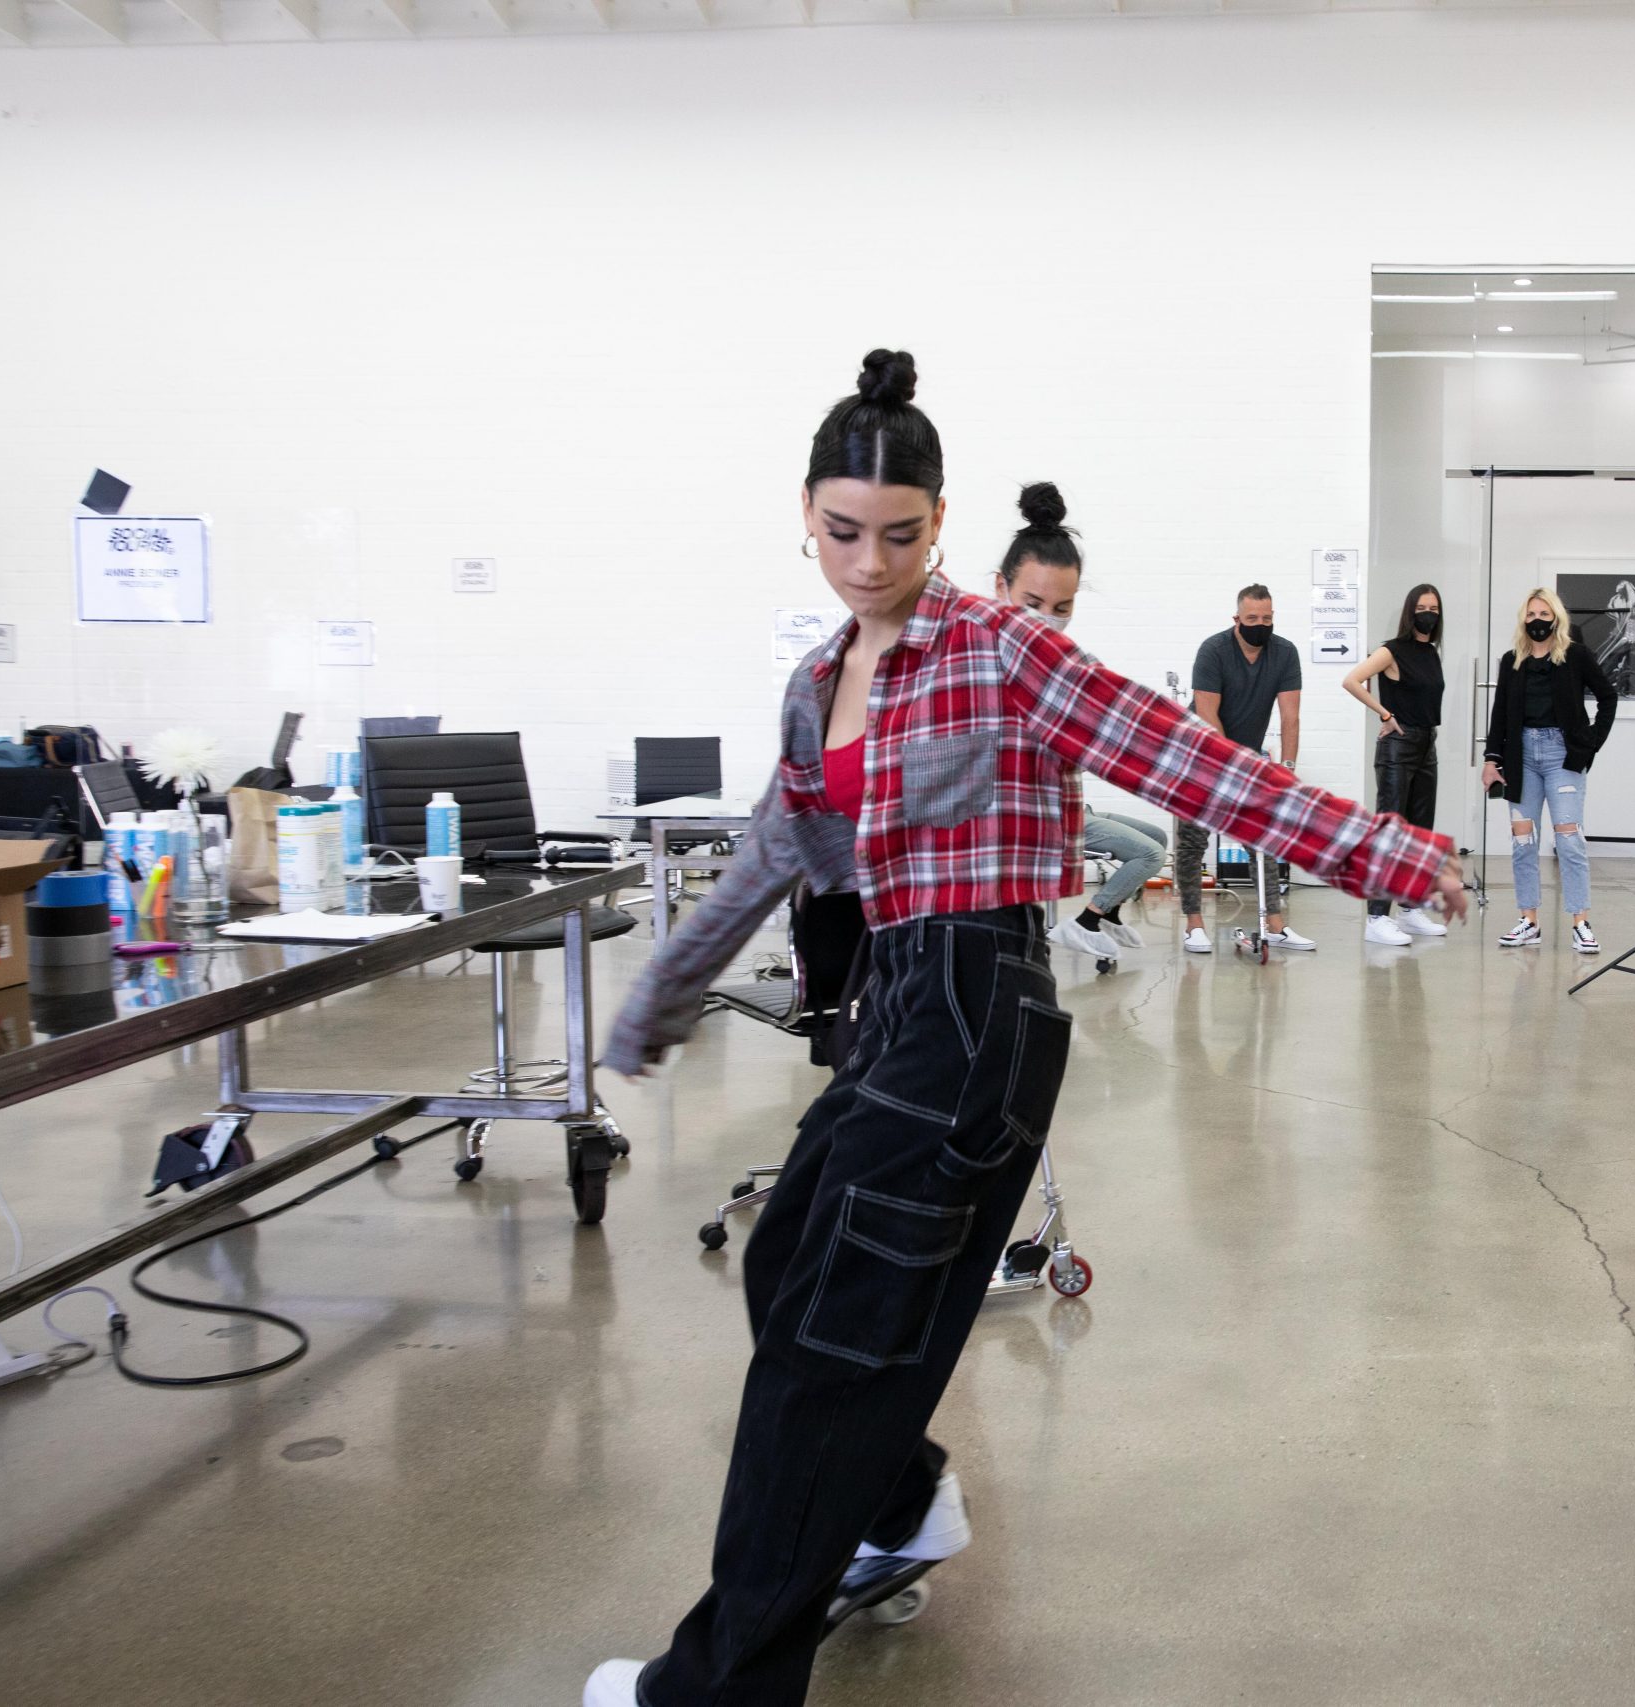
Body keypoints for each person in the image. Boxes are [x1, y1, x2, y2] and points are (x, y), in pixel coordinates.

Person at [585, 350, 1464, 1707]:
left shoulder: (1004, 647)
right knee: (787, 1267)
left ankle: (712, 1689)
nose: (868, 563)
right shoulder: (817, 680)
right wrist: (662, 987)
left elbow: (1188, 758)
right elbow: (777, 845)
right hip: (893, 1003)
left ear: (941, 523)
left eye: (900, 534)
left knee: (821, 1352)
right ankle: (898, 1508)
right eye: (841, 532)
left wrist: (1383, 852)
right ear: (805, 514)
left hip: (976, 1005)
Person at [987, 480, 1168, 961]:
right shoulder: (971, 664)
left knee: (1156, 840)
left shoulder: (1075, 669)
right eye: (1031, 605)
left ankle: (1105, 914)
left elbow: (1146, 733)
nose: (1046, 619)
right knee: (1150, 854)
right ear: (1001, 588)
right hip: (1004, 850)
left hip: (1063, 817)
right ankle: (1087, 920)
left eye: (1062, 608)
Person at [1175, 584, 1310, 953]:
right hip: (1198, 752)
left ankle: (1275, 925)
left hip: (1244, 756)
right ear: (1236, 619)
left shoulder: (1284, 653)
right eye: (1252, 618)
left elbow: (1291, 718)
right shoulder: (1214, 651)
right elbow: (1207, 715)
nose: (1260, 624)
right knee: (1193, 839)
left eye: (1267, 618)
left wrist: (1287, 770)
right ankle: (1193, 925)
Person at [1481, 587, 1618, 953]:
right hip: (1520, 757)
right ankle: (1529, 921)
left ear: (1556, 618)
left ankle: (1581, 922)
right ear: (1522, 620)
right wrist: (1491, 760)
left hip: (1562, 755)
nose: (1537, 620)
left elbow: (1608, 697)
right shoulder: (1511, 661)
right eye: (1531, 614)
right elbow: (1499, 713)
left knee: (1569, 839)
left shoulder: (1576, 656)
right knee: (1523, 841)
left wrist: (1590, 742)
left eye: (1544, 614)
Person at [1344, 582, 1451, 947]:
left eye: (1434, 609)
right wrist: (1385, 714)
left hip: (1427, 745)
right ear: (1410, 612)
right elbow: (1352, 680)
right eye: (1422, 609)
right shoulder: (1392, 650)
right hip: (1398, 748)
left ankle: (1409, 909)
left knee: (1420, 833)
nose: (1428, 615)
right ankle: (1376, 918)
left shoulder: (1431, 652)